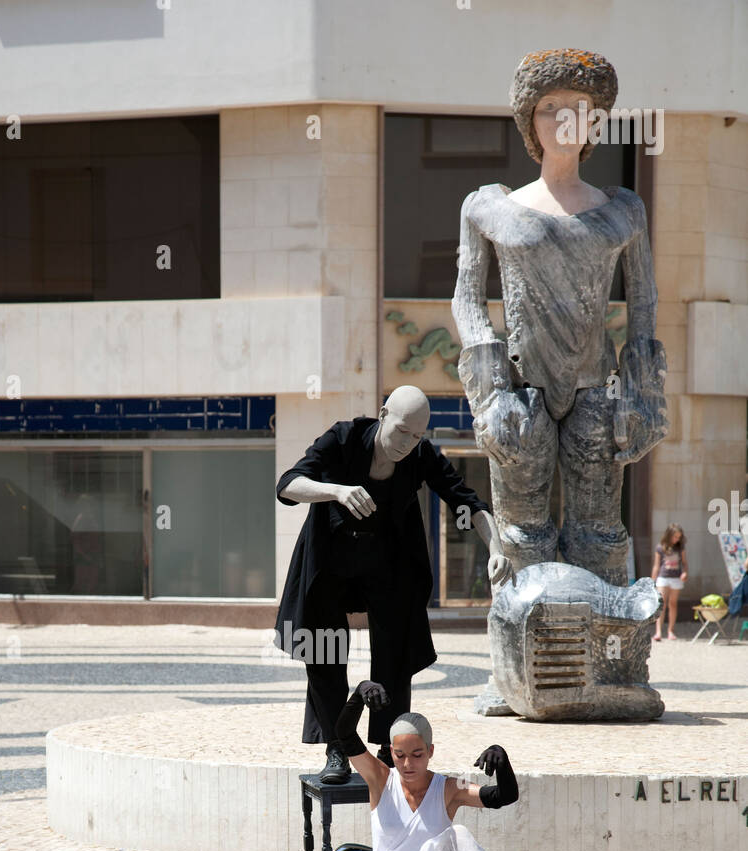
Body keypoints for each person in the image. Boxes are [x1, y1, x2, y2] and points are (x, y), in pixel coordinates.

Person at [452, 48, 668, 587]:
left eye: (579, 106)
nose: (564, 118)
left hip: (596, 387)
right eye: (550, 106)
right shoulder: (490, 208)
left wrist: (643, 396)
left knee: (598, 534)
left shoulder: (622, 210)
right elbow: (466, 298)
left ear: (596, 120)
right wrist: (491, 391)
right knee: (522, 534)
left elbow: (643, 301)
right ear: (530, 119)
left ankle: (607, 659)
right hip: (521, 389)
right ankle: (523, 662)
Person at [273, 385, 514, 786]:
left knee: (396, 651)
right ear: (383, 415)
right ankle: (337, 745)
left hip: (388, 566)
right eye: (402, 431)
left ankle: (387, 744)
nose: (408, 443)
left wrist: (496, 548)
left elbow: (466, 502)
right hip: (329, 563)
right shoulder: (343, 438)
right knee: (324, 651)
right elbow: (287, 484)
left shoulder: (419, 454)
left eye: (417, 435)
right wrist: (336, 490)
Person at [244, 679, 532, 851]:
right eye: (400, 755)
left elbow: (502, 797)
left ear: (430, 752)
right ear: (391, 753)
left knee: (458, 834)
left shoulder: (448, 788)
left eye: (417, 755)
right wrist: (358, 695)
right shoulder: (380, 778)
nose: (408, 764)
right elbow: (344, 733)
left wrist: (503, 762)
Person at [651, 523, 687, 640]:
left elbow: (684, 563)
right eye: (675, 536)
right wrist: (652, 581)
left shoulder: (680, 547)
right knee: (662, 604)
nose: (677, 539)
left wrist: (684, 572)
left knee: (673, 604)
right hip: (663, 577)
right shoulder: (660, 547)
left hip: (676, 578)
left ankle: (670, 631)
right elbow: (656, 566)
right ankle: (658, 632)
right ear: (669, 535)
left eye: (679, 537)